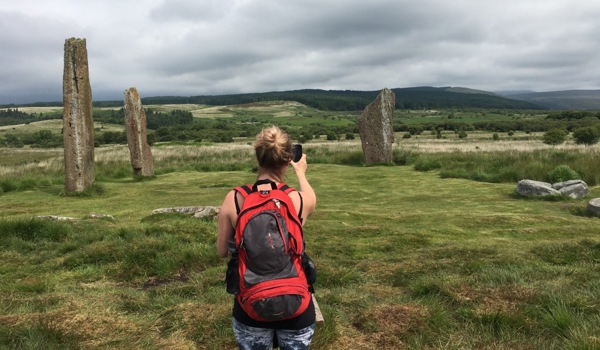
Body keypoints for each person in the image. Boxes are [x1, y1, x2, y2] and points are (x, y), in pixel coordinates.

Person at [217, 126, 317, 350]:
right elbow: (311, 196)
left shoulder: (234, 198)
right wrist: (300, 171)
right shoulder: (298, 200)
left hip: (250, 305)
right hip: (297, 305)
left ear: (258, 157)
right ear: (287, 160)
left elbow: (222, 250)